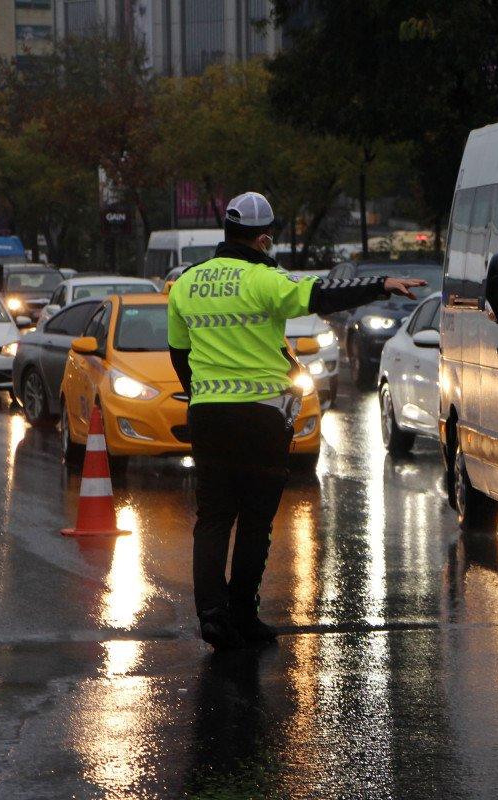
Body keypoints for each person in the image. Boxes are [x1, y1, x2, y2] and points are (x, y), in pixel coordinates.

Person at [167, 191, 425, 650]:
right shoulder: (265, 280)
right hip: (262, 418)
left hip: (207, 416)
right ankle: (243, 614)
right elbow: (322, 295)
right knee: (254, 521)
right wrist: (381, 283)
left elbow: (179, 355)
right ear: (264, 238)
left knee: (212, 518)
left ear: (227, 231)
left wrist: (204, 392)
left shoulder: (187, 284)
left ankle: (211, 615)